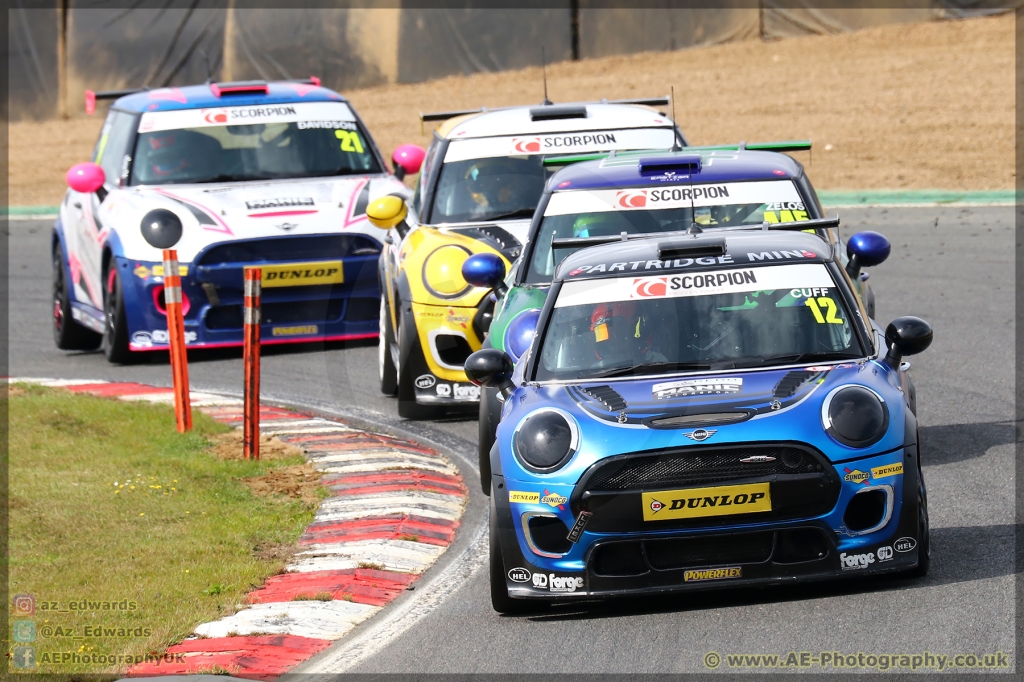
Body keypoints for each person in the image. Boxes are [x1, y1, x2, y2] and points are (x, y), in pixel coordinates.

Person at [589, 301, 667, 367]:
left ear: (631, 330)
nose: (609, 340)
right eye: (602, 334)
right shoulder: (591, 371)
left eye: (617, 332)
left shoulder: (657, 363)